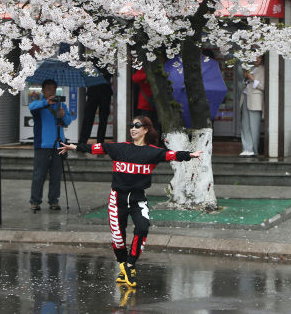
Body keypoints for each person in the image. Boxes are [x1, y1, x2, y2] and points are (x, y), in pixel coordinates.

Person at [59, 116, 202, 288]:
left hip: (137, 199)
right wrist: (73, 147)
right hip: (116, 199)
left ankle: (129, 265)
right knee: (118, 239)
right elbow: (97, 148)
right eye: (131, 125)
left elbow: (170, 154)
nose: (133, 128)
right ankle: (124, 266)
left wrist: (190, 155)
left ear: (146, 129)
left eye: (137, 125)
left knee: (143, 227)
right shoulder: (119, 148)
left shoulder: (152, 152)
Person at [29, 79, 72, 212]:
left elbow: (68, 121)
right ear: (42, 90)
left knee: (56, 175)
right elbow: (32, 107)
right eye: (48, 88)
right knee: (39, 174)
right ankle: (35, 201)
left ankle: (54, 201)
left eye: (53, 88)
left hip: (58, 145)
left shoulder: (61, 105)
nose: (51, 91)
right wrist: (46, 102)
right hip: (42, 145)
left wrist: (62, 116)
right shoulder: (39, 105)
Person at [238, 55, 264, 156]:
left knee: (254, 126)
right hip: (245, 97)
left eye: (259, 58)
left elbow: (264, 86)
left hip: (256, 100)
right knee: (245, 125)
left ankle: (254, 149)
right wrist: (246, 78)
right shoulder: (250, 68)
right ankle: (246, 148)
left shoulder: (264, 69)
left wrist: (252, 79)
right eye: (255, 57)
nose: (257, 60)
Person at [78, 67, 113, 145]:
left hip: (104, 91)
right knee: (88, 118)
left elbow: (111, 73)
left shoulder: (109, 61)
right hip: (93, 91)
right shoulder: (91, 61)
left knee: (103, 119)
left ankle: (100, 143)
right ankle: (82, 143)